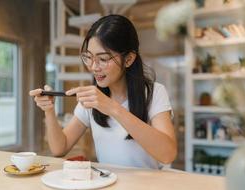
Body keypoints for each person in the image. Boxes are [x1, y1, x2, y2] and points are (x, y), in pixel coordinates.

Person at [29, 14, 177, 169]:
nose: (93, 67)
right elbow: (60, 148)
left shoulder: (155, 93)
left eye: (103, 59)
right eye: (88, 57)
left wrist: (112, 108)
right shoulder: (92, 99)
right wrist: (49, 111)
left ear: (128, 59)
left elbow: (167, 154)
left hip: (146, 189)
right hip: (106, 187)